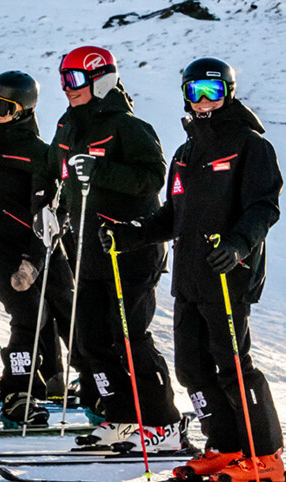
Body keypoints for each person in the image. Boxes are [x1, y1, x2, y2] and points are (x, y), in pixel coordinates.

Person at [103, 58, 283, 481]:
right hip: (188, 276)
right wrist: (130, 235)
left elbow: (264, 205)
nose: (203, 101)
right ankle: (225, 444)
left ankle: (267, 455)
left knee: (232, 364)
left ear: (228, 93)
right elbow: (172, 216)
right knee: (191, 367)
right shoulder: (185, 153)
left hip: (227, 274)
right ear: (185, 94)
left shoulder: (250, 145)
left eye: (212, 91)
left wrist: (239, 244)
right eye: (195, 92)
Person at [39, 46, 184, 451]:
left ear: (100, 78)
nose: (67, 88)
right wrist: (49, 209)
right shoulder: (67, 125)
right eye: (63, 79)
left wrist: (102, 171)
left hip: (131, 248)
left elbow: (154, 179)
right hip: (86, 249)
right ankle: (121, 416)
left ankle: (164, 423)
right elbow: (55, 172)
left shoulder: (128, 126)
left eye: (74, 80)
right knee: (90, 339)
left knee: (128, 335)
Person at [0, 71, 81, 426]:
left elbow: (54, 206)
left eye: (6, 108)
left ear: (24, 111)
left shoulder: (37, 153)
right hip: (1, 246)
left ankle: (95, 383)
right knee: (28, 315)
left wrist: (35, 259)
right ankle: (16, 391)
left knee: (70, 310)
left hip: (40, 245)